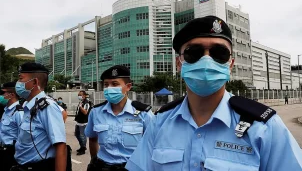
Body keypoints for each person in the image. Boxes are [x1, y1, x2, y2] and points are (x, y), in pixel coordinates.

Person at [126, 16, 302, 171]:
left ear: (230, 64)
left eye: (219, 53)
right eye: (193, 52)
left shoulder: (264, 128)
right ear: (179, 64)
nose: (206, 60)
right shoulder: (159, 123)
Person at [85, 65, 154, 171]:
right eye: (106, 85)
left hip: (132, 167)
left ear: (128, 86)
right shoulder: (96, 112)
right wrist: (94, 161)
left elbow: (154, 144)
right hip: (102, 166)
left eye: (115, 84)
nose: (109, 88)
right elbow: (93, 139)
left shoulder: (144, 113)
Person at [11, 62, 67, 171]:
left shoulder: (47, 107)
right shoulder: (28, 105)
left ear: (35, 82)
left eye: (21, 79)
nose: (18, 83)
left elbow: (60, 146)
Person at [0, 82, 24, 171]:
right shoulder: (6, 111)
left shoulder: (19, 112)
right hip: (3, 151)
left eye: (3, 93)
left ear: (12, 95)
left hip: (12, 153)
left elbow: (22, 137)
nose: (1, 96)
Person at [74, 90, 90, 155]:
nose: (79, 96)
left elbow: (85, 112)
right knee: (77, 135)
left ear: (84, 95)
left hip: (83, 123)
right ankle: (82, 146)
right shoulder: (81, 102)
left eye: (80, 95)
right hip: (78, 122)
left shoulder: (86, 103)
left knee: (82, 136)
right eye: (78, 95)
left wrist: (80, 107)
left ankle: (83, 149)